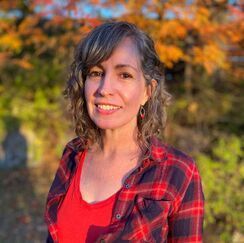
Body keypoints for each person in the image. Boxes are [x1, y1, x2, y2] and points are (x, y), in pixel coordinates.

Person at [44, 21, 204, 243]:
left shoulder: (178, 172)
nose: (104, 89)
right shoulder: (72, 155)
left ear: (148, 91)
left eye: (124, 75)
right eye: (96, 73)